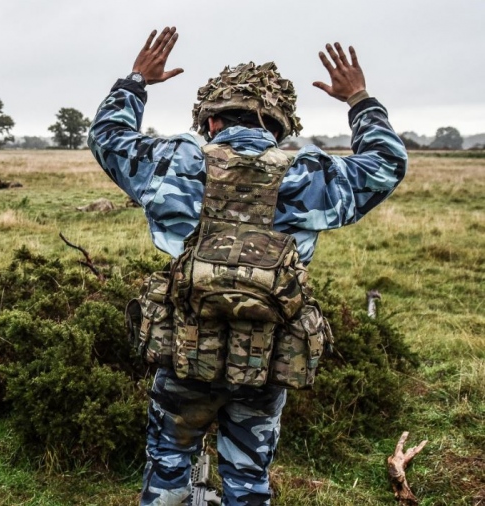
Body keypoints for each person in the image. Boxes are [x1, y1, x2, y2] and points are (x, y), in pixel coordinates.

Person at [87, 27, 407, 505]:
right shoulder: (308, 173)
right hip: (265, 360)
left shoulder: (173, 161)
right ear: (279, 127)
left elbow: (107, 137)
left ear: (210, 122)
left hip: (182, 356)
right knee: (248, 479)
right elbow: (386, 163)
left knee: (169, 466)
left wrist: (137, 81)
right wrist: (358, 99)